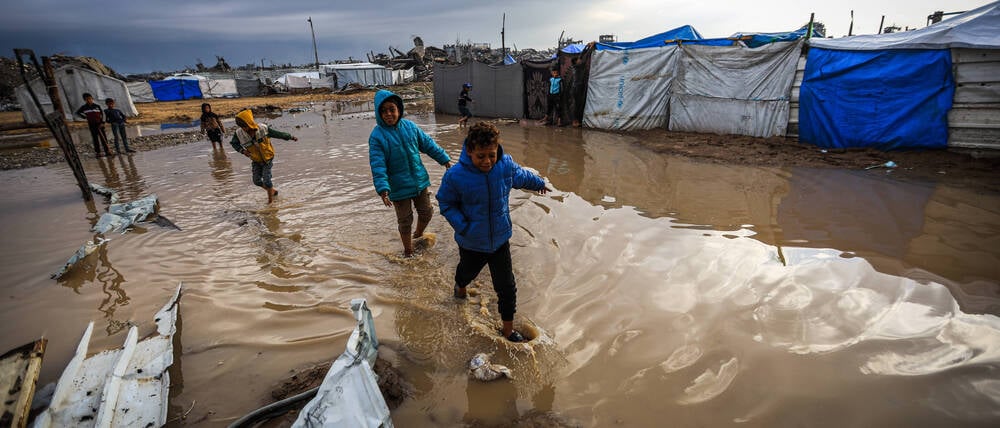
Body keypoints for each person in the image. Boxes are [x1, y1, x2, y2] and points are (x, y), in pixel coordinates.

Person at [436, 122, 550, 343]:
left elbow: (521, 176)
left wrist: (539, 183)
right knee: (466, 274)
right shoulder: (455, 176)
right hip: (471, 242)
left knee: (507, 286)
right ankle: (460, 287)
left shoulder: (504, 165)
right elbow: (446, 203)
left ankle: (508, 331)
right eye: (481, 156)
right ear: (469, 151)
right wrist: (464, 227)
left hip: (500, 240)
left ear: (498, 148)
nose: (487, 161)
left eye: (492, 154)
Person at [368, 89, 452, 257]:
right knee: (405, 221)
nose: (388, 114)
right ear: (378, 113)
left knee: (427, 212)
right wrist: (383, 188)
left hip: (419, 181)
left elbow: (429, 145)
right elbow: (378, 165)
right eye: (383, 111)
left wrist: (445, 160)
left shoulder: (410, 127)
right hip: (398, 188)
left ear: (399, 109)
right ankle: (408, 251)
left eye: (392, 109)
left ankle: (418, 235)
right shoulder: (377, 137)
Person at [229, 109, 297, 204]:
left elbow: (278, 134)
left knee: (267, 181)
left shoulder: (262, 128)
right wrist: (243, 151)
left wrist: (290, 137)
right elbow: (234, 143)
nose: (244, 129)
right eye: (242, 127)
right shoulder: (239, 134)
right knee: (256, 181)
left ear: (249, 122)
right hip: (256, 159)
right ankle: (273, 191)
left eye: (245, 126)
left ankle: (270, 203)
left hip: (268, 158)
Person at [75, 93, 112, 157]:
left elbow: (103, 114)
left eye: (90, 99)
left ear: (92, 99)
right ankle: (98, 152)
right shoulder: (84, 107)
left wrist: (102, 123)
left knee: (103, 138)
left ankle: (107, 151)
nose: (89, 100)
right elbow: (77, 113)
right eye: (87, 99)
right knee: (95, 139)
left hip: (99, 124)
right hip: (92, 125)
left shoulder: (97, 106)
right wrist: (84, 117)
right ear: (85, 100)